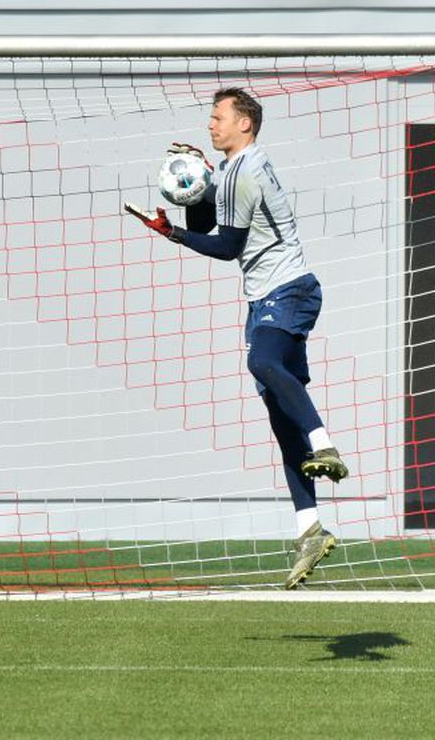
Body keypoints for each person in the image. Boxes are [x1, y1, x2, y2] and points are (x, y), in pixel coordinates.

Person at [131, 88, 348, 589]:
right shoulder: (231, 171)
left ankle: (326, 445)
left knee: (262, 364)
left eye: (218, 117)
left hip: (288, 290)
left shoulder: (247, 170)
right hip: (265, 297)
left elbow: (225, 246)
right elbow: (209, 218)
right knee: (279, 414)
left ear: (244, 124)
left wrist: (172, 233)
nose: (211, 125)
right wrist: (193, 188)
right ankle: (309, 528)